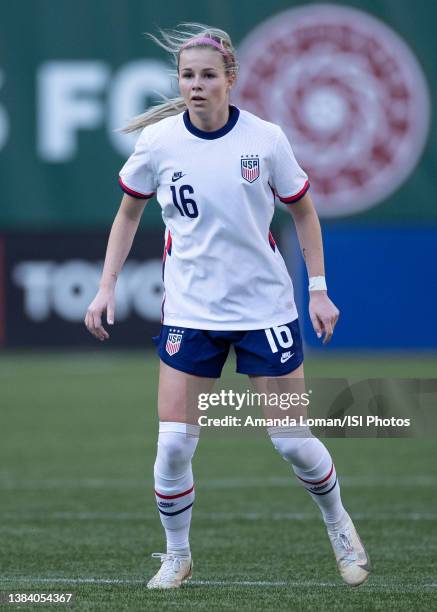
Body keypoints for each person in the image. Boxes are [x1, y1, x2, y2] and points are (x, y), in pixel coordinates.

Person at [85, 23, 370, 590]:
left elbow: (304, 212)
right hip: (191, 314)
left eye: (207, 76)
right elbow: (127, 214)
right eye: (188, 76)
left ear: (230, 80)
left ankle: (340, 524)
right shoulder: (159, 142)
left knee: (292, 441)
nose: (196, 85)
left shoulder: (265, 139)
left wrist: (317, 288)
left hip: (265, 310)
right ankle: (176, 555)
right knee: (172, 448)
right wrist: (106, 285)